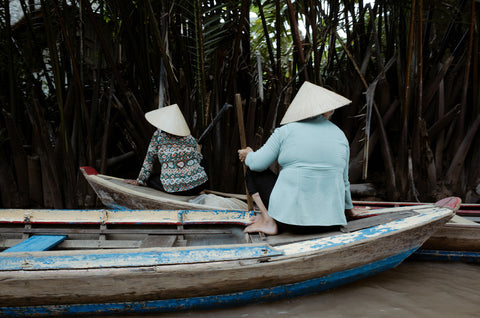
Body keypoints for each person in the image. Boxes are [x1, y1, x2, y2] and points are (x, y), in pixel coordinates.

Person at [238, 81, 363, 235]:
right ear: (328, 111)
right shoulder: (340, 136)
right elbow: (344, 181)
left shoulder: (285, 131)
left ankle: (268, 221)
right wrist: (349, 211)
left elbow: (257, 164)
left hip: (291, 222)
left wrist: (249, 154)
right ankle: (268, 219)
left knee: (253, 171)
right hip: (332, 222)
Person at [124, 104, 208, 196]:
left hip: (175, 188)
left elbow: (149, 159)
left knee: (151, 179)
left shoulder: (158, 136)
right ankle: (196, 189)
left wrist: (140, 180)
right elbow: (197, 159)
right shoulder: (189, 137)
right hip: (199, 185)